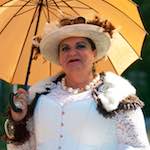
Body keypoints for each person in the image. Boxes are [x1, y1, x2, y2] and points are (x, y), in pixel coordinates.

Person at [2, 16, 150, 150]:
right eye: (65, 48)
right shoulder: (36, 99)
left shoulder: (118, 98)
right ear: (59, 58)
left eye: (80, 46)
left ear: (94, 53)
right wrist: (18, 121)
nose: (72, 53)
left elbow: (137, 147)